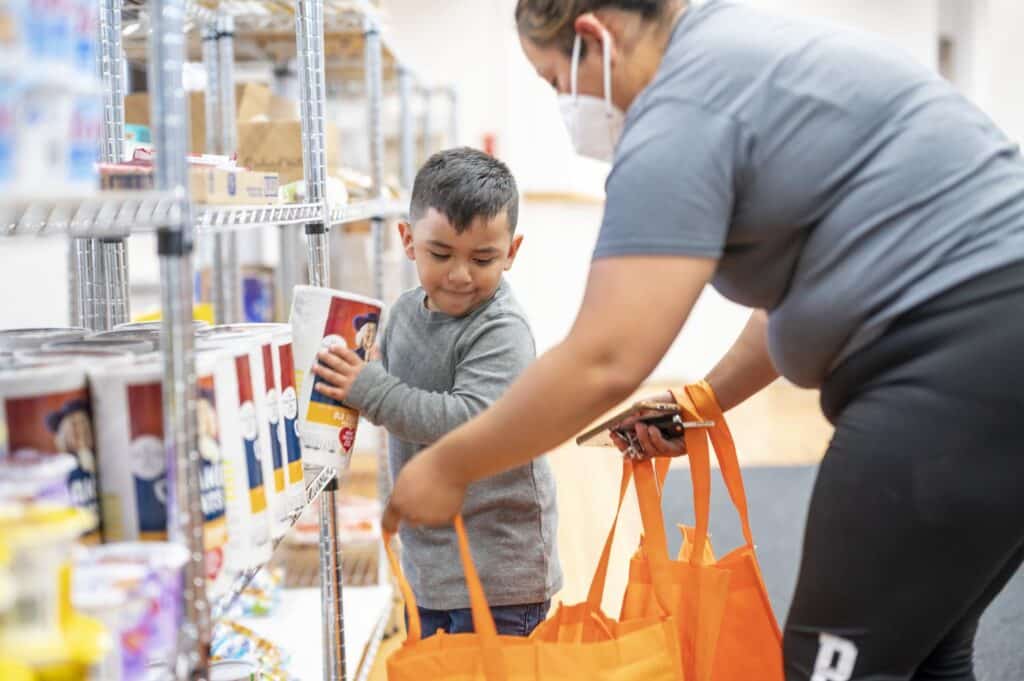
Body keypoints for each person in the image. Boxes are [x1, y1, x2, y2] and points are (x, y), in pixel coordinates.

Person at [381, 1, 1024, 679]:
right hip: (991, 360)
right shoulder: (740, 50)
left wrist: (448, 465)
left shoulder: (679, 108)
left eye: (552, 81)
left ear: (594, 39)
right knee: (928, 651)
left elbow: (607, 356)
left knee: (827, 664)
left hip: (951, 371)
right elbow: (790, 306)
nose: (563, 103)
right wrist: (699, 402)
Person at [312, 147, 562, 637]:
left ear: (511, 252)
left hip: (501, 572)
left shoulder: (501, 328)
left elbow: (471, 421)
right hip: (429, 563)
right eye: (441, 253)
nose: (460, 274)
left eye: (483, 258)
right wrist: (347, 390)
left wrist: (373, 392)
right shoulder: (403, 314)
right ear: (408, 240)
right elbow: (392, 396)